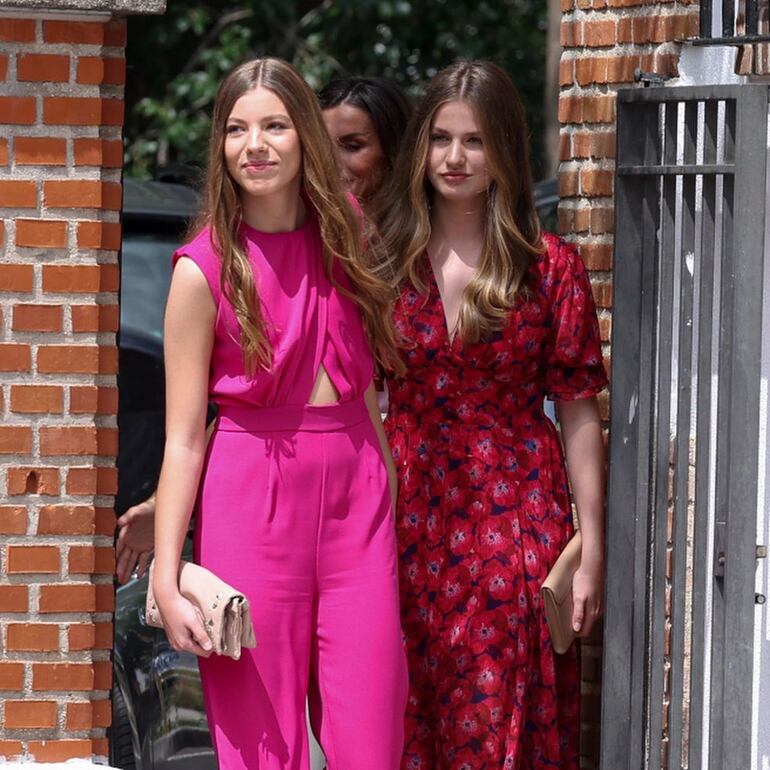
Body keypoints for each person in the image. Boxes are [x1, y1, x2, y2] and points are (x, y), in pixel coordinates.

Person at [150, 57, 407, 770]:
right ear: (220, 147)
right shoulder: (201, 272)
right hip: (251, 498)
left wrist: (387, 488)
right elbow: (180, 439)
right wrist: (167, 578)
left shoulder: (348, 235)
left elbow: (368, 401)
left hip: (358, 497)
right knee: (265, 748)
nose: (253, 145)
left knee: (372, 737)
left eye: (273, 125)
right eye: (236, 129)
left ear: (305, 140)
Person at [377, 60, 608, 769]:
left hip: (518, 515)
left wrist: (593, 542)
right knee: (409, 704)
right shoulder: (383, 261)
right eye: (440, 138)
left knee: (503, 704)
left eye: (473, 141)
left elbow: (577, 411)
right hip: (407, 510)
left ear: (503, 148)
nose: (453, 158)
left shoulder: (550, 267)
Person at [115, 74, 412, 584]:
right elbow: (248, 408)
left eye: (355, 145)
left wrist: (387, 496)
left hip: (385, 495)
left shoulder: (365, 246)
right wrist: (166, 521)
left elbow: (354, 392)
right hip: (264, 497)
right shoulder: (212, 266)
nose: (338, 162)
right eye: (237, 129)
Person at [319, 76, 412, 209]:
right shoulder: (291, 222)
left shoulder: (432, 226)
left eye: (352, 147)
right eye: (320, 146)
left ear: (394, 149)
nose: (331, 161)